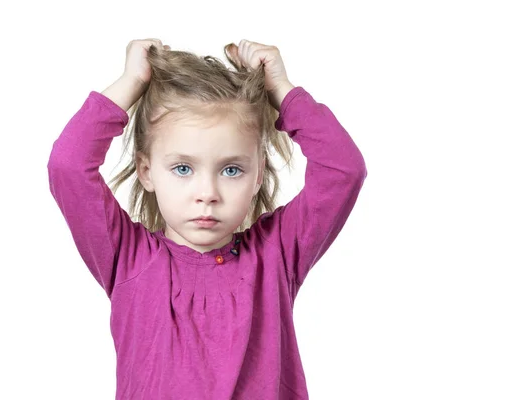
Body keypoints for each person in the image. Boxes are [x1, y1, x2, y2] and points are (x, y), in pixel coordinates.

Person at [47, 38, 368, 400]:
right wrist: (131, 82)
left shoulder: (275, 256)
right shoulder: (126, 257)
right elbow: (68, 166)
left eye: (231, 169)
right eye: (183, 168)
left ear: (258, 174)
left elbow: (344, 170)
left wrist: (282, 90)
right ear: (147, 171)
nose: (208, 193)